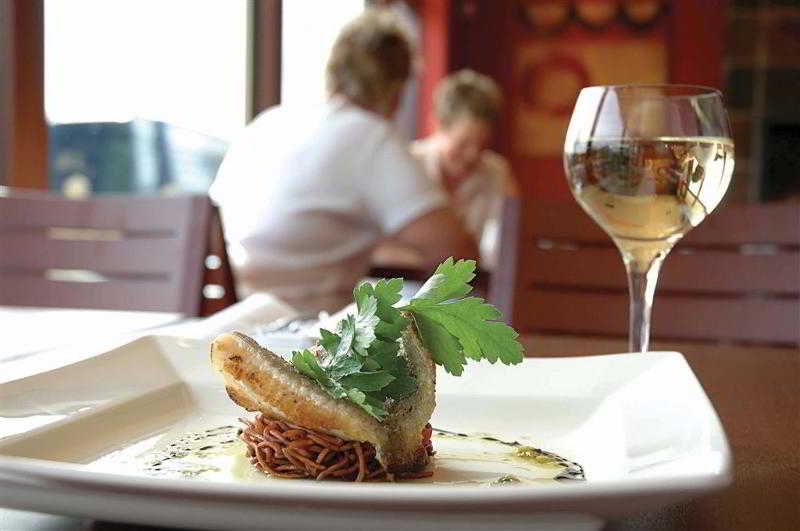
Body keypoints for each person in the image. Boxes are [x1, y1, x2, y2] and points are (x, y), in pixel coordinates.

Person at [209, 9, 476, 313]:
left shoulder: (268, 123)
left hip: (224, 318)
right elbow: (458, 255)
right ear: (398, 87)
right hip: (298, 327)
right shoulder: (370, 137)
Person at [410, 69, 519, 270]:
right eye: (463, 143)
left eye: (482, 144)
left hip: (469, 284)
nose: (473, 155)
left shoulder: (496, 172)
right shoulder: (408, 165)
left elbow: (511, 242)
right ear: (437, 125)